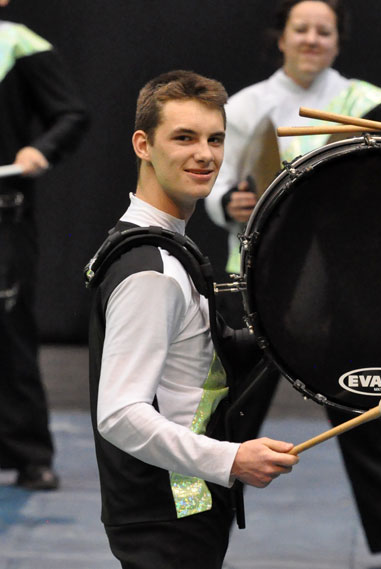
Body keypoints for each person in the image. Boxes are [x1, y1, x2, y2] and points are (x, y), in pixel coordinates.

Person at [205, 2, 381, 568]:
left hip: (347, 288)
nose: (311, 39)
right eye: (300, 29)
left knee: (364, 410)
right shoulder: (248, 106)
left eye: (323, 31)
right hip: (258, 282)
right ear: (280, 38)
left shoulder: (370, 103)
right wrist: (229, 203)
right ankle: (201, 537)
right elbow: (215, 182)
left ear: (337, 42)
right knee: (230, 418)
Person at [87, 70, 299, 569]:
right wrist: (230, 459)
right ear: (143, 144)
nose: (205, 154)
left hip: (178, 508)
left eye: (215, 139)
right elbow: (118, 414)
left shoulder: (158, 246)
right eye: (184, 138)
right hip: (169, 513)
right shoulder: (152, 269)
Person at [0, 1, 89, 490]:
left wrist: (41, 149)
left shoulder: (19, 45)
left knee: (9, 329)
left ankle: (29, 454)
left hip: (3, 210)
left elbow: (71, 114)